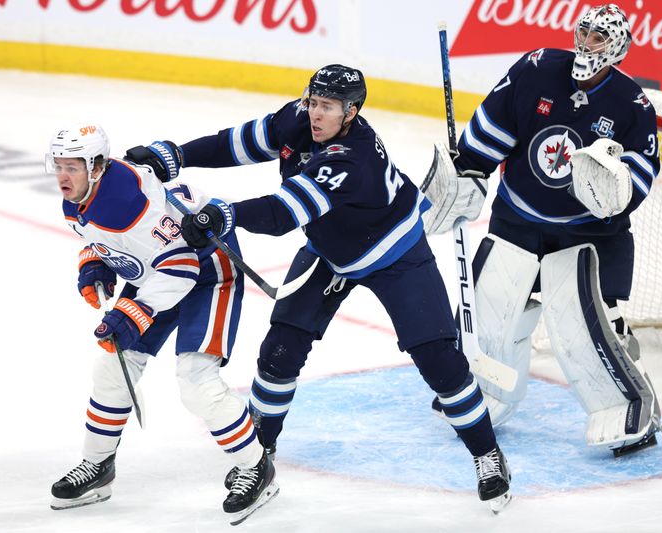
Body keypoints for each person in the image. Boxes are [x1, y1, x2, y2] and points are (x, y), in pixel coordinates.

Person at [125, 64, 512, 513]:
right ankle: (259, 457)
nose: (315, 113)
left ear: (351, 112)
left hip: (395, 252)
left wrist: (223, 214)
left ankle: (487, 454)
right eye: (313, 101)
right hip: (330, 252)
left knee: (439, 361)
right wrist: (177, 154)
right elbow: (241, 142)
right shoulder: (299, 117)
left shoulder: (354, 157)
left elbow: (283, 213)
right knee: (278, 353)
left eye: (327, 107)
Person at [422, 3, 662, 457]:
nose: (588, 44)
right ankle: (481, 392)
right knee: (490, 305)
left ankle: (629, 408)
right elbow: (496, 123)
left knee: (582, 325)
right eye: (585, 32)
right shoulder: (537, 68)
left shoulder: (632, 104)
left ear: (618, 48)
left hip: (586, 233)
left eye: (600, 38)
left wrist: (616, 184)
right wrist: (469, 171)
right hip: (518, 216)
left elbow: (641, 171)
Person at [46, 124, 277, 525]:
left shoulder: (128, 203)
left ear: (97, 166)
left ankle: (256, 467)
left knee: (196, 381)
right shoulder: (80, 196)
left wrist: (134, 313)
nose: (63, 176)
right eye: (59, 165)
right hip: (160, 270)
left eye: (73, 166)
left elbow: (181, 264)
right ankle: (98, 466)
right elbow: (111, 241)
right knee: (112, 367)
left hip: (208, 271)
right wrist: (96, 263)